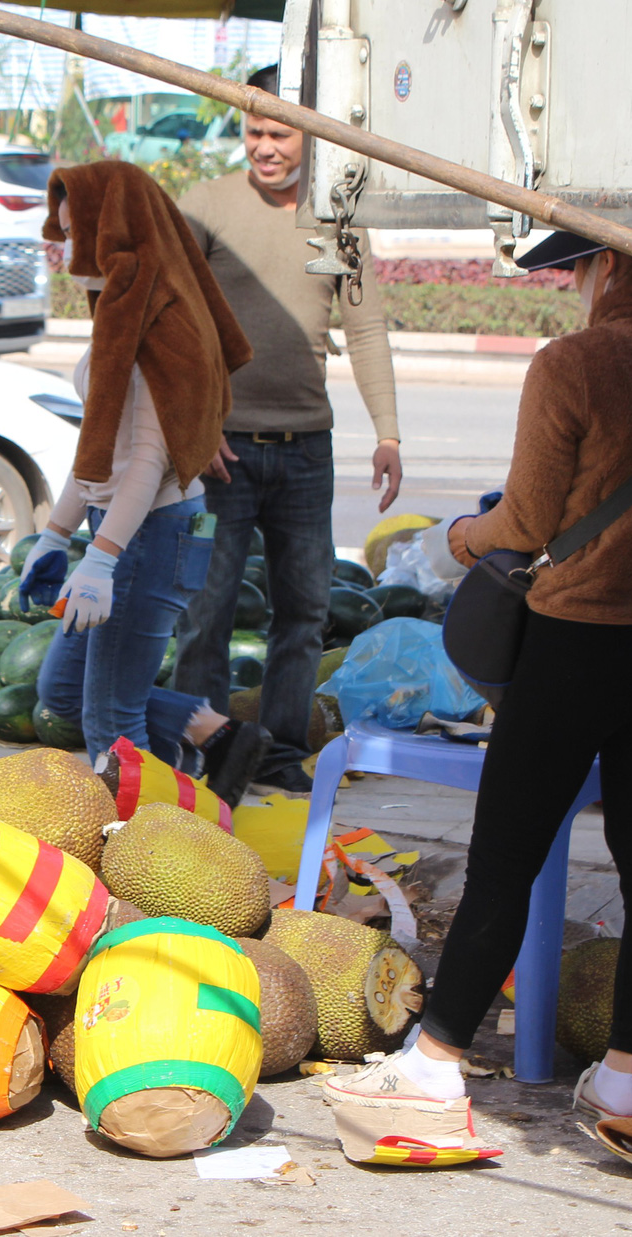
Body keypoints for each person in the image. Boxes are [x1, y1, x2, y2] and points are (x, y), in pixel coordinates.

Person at [327, 229, 632, 1134]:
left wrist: (460, 539)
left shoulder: (574, 364)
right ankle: (623, 1080)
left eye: (578, 266)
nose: (572, 282)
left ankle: (438, 1064)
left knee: (506, 860)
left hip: (577, 650)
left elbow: (521, 522)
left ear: (614, 265)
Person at [173, 64, 403, 793]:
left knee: (302, 614)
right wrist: (197, 423)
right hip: (222, 452)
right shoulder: (204, 207)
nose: (264, 147)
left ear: (313, 135)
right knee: (203, 614)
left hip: (307, 450)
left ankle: (274, 752)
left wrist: (388, 432)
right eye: (253, 130)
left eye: (279, 133)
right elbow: (174, 322)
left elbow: (366, 332)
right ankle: (204, 750)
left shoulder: (339, 220)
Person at [20, 160, 273, 803]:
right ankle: (211, 735)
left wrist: (101, 558)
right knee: (64, 693)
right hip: (127, 530)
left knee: (111, 723)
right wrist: (55, 536)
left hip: (150, 533)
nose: (69, 245)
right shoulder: (121, 307)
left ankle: (147, 857)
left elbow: (147, 459)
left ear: (116, 227)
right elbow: (99, 447)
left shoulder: (158, 318)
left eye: (79, 230)